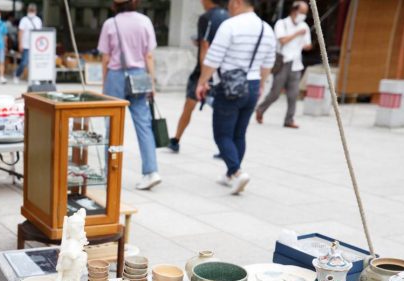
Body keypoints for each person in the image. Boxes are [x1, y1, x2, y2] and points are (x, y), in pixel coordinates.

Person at [196, 0, 276, 195]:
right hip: (253, 83)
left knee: (222, 134)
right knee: (239, 133)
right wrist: (261, 85)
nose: (229, 5)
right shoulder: (266, 29)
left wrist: (202, 82)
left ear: (238, 2)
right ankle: (231, 174)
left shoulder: (230, 26)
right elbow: (268, 62)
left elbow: (213, 58)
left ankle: (237, 172)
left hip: (229, 86)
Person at [98, 0, 161, 191]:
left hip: (116, 76)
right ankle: (151, 172)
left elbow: (106, 57)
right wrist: (151, 81)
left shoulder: (110, 24)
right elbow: (148, 55)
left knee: (112, 126)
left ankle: (109, 171)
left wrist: (104, 83)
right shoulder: (144, 21)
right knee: (144, 124)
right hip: (139, 75)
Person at [168, 0, 228, 153]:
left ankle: (176, 139)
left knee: (189, 105)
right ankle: (226, 147)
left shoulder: (206, 17)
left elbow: (205, 47)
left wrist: (203, 76)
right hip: (223, 69)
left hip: (205, 70)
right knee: (222, 110)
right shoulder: (228, 16)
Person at [255, 1, 312, 128]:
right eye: (302, 12)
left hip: (296, 63)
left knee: (293, 94)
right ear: (294, 10)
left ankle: (289, 119)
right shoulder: (282, 24)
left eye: (305, 13)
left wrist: (303, 44)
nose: (303, 15)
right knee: (275, 92)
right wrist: (297, 34)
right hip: (283, 61)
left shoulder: (305, 26)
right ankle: (261, 109)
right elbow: (283, 40)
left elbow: (308, 45)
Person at [15, 3, 43, 83]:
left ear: (36, 11)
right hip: (26, 45)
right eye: (30, 10)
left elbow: (40, 33)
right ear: (28, 10)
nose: (31, 12)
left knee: (35, 63)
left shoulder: (38, 20)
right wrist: (20, 43)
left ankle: (34, 78)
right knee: (24, 62)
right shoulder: (24, 20)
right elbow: (20, 32)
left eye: (33, 10)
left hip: (36, 46)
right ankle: (17, 74)